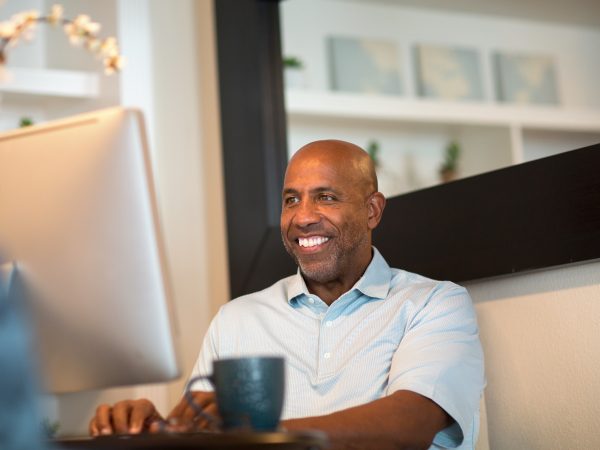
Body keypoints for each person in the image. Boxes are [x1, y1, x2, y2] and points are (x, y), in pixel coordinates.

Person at [89, 140, 485, 450]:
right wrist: (147, 428)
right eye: (291, 199)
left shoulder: (435, 304)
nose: (302, 216)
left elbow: (409, 426)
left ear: (372, 211)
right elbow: (198, 431)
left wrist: (261, 434)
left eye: (326, 197)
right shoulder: (237, 318)